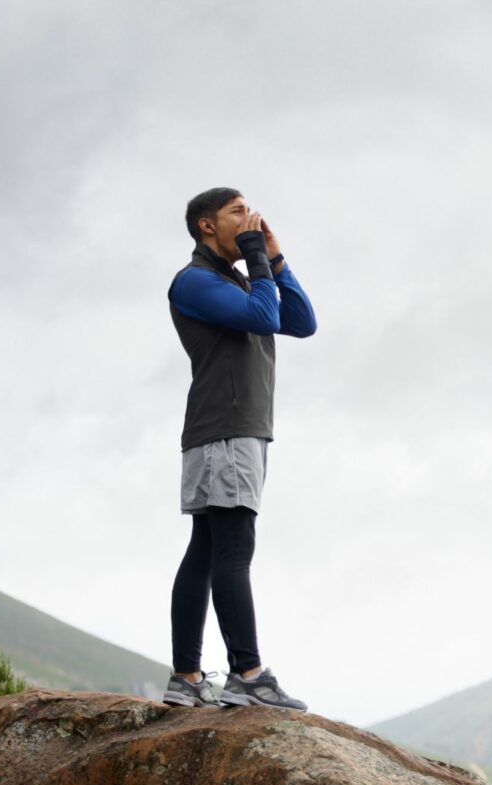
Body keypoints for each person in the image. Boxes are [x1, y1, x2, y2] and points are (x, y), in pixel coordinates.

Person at [162, 187, 317, 709]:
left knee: (206, 550)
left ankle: (186, 677)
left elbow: (301, 322)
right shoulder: (195, 281)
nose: (249, 217)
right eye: (237, 212)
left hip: (235, 430)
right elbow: (264, 317)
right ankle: (247, 674)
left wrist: (271, 256)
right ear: (208, 226)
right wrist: (255, 256)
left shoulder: (235, 281)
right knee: (232, 548)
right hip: (225, 430)